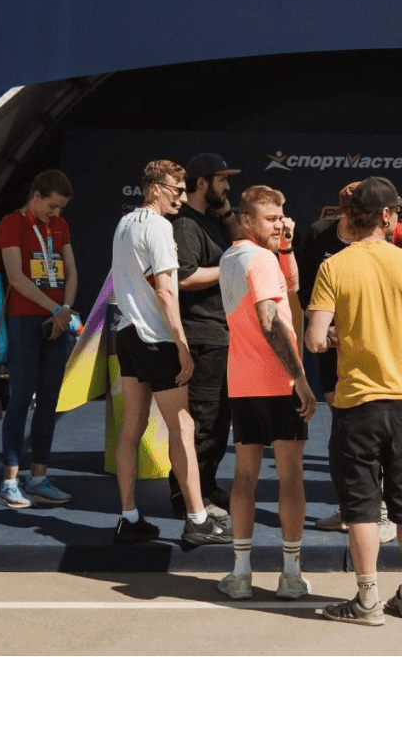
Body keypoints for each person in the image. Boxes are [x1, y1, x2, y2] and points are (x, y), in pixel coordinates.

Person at [306, 176, 402, 625]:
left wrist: (343, 338)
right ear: (386, 216)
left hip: (356, 402)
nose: (400, 216)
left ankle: (367, 600)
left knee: (362, 506)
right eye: (397, 211)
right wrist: (400, 340)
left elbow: (314, 340)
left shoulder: (335, 266)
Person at [107, 159, 230, 548]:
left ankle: (129, 518)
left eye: (183, 189)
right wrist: (181, 343)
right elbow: (165, 290)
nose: (182, 197)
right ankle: (196, 519)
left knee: (132, 428)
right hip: (156, 339)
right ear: (155, 188)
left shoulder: (125, 223)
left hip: (127, 335)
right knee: (183, 427)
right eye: (176, 190)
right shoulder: (159, 227)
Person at [215, 186, 318, 601]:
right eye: (270, 219)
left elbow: (289, 286)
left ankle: (240, 574)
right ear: (246, 220)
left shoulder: (233, 257)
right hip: (278, 382)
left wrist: (285, 245)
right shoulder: (261, 260)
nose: (279, 225)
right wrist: (300, 377)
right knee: (290, 476)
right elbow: (271, 319)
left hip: (242, 383)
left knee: (244, 476)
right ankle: (290, 575)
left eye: (281, 218)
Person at [299, 182, 395, 542]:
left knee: (372, 435)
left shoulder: (380, 242)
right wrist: (326, 328)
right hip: (332, 351)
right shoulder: (318, 233)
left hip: (372, 353)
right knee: (343, 435)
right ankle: (350, 508)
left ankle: (380, 510)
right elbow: (305, 290)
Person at [0, 169, 79, 509]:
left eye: (61, 208)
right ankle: (9, 483)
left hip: (56, 322)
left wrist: (65, 310)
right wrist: (55, 309)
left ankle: (39, 478)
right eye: (52, 206)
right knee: (20, 400)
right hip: (25, 322)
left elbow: (71, 271)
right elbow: (16, 278)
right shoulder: (11, 223)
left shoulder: (60, 226)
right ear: (37, 195)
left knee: (48, 402)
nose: (56, 213)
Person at [168, 151, 241, 520]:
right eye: (221, 180)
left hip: (221, 333)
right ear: (202, 183)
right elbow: (183, 277)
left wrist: (226, 213)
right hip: (200, 334)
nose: (227, 186)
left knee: (219, 420)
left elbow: (241, 244)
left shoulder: (212, 219)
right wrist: (228, 268)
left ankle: (206, 485)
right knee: (202, 419)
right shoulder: (185, 225)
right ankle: (186, 497)